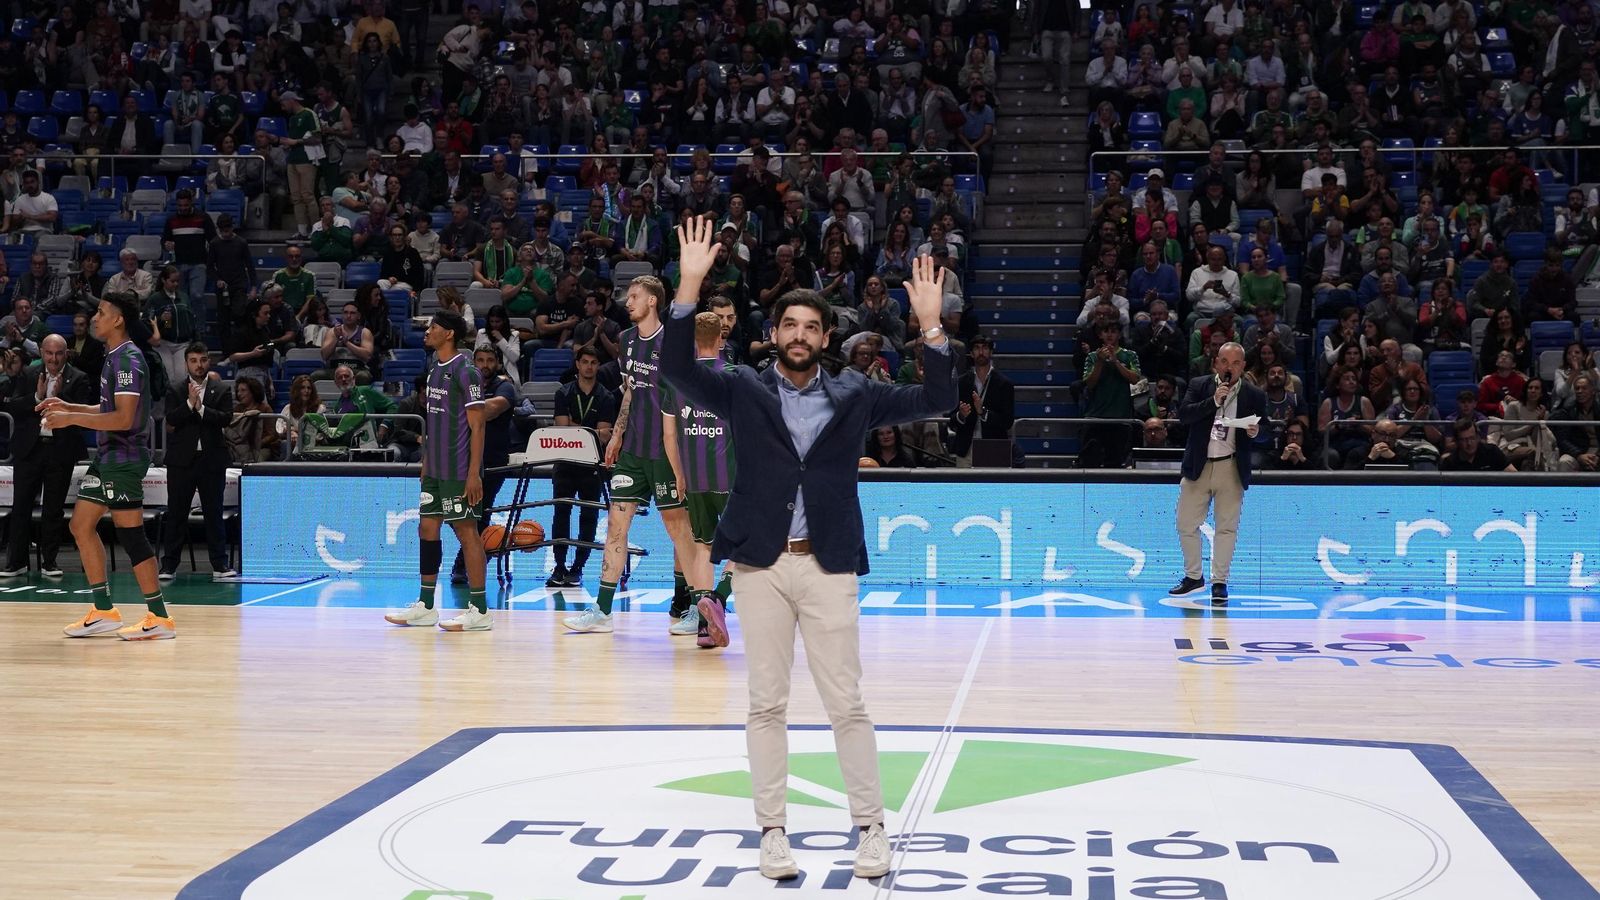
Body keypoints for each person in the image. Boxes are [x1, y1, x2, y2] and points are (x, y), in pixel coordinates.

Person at [661, 217, 956, 882]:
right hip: (759, 564)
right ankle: (772, 833)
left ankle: (871, 828)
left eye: (811, 328)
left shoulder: (855, 394)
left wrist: (931, 328)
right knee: (765, 703)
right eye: (789, 325)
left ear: (827, 340)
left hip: (828, 564)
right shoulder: (740, 386)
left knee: (846, 703)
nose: (799, 335)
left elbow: (940, 398)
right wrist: (689, 283)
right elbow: (676, 366)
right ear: (775, 335)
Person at [562, 272, 697, 635]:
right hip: (633, 452)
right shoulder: (625, 340)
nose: (628, 302)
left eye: (634, 296)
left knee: (679, 531)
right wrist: (618, 435)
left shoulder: (674, 343)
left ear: (653, 300)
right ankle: (603, 609)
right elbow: (630, 391)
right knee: (616, 528)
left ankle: (696, 606)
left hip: (667, 452)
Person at [53, 293, 175, 641]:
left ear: (118, 320)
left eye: (102, 312)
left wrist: (70, 419)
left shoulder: (127, 361)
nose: (95, 317)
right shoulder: (114, 357)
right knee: (80, 525)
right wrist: (69, 406)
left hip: (123, 458)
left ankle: (160, 616)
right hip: (107, 456)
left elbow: (122, 419)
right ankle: (104, 610)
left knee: (131, 534)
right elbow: (110, 409)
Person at [383, 311, 491, 631]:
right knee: (427, 530)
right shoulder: (433, 370)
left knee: (466, 532)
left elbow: (478, 426)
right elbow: (432, 421)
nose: (427, 332)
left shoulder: (467, 371)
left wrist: (474, 474)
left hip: (459, 471)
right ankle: (427, 606)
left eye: (433, 327)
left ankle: (480, 609)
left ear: (449, 334)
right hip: (436, 469)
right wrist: (427, 460)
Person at [660, 311, 739, 648]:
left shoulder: (678, 379)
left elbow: (668, 435)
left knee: (703, 548)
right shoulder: (734, 377)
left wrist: (679, 474)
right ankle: (719, 599)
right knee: (746, 546)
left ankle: (705, 627)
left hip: (694, 480)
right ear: (721, 338)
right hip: (732, 478)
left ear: (693, 341)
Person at [1170, 342, 1266, 606]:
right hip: (1199, 464)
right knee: (1185, 523)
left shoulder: (1254, 394)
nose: (1229, 368)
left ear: (1243, 367)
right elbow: (1184, 416)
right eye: (1225, 362)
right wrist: (1213, 401)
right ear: (1216, 363)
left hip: (1231, 466)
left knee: (1227, 527)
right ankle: (1193, 576)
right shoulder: (1199, 385)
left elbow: (1266, 429)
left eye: (1236, 363)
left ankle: (1219, 582)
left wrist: (1256, 433)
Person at [1, 335, 91, 578]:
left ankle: (49, 562)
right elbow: (13, 406)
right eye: (49, 353)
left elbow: (84, 415)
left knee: (53, 509)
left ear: (66, 353)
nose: (53, 359)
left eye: (59, 354)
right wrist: (37, 398)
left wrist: (61, 401)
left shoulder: (79, 378)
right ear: (42, 352)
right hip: (29, 450)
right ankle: (16, 562)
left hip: (60, 450)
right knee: (21, 507)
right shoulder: (28, 374)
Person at [158, 343, 236, 580]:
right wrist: (190, 405)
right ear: (186, 363)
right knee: (176, 513)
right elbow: (170, 419)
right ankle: (168, 565)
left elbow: (225, 418)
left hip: (212, 460)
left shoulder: (221, 389)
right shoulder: (175, 389)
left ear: (208, 361)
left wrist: (202, 410)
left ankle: (220, 565)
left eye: (202, 360)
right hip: (181, 461)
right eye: (193, 360)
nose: (198, 365)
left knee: (214, 512)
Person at [547, 346, 617, 588]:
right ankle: (558, 566)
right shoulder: (563, 393)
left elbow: (606, 436)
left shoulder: (606, 396)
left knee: (589, 515)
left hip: (592, 465)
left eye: (593, 362)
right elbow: (561, 430)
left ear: (598, 366)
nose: (589, 366)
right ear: (577, 364)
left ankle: (578, 567)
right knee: (561, 514)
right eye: (585, 361)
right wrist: (591, 431)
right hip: (565, 463)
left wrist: (578, 430)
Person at [947, 334, 1015, 464]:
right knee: (964, 484)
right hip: (966, 448)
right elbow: (951, 419)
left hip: (994, 447)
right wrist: (961, 415)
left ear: (991, 352)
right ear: (971, 354)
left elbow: (1007, 422)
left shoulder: (1004, 384)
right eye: (977, 348)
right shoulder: (960, 383)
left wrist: (983, 412)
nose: (981, 352)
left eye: (985, 348)